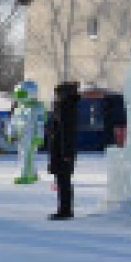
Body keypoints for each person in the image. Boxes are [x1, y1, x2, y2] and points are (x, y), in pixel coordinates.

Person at [46, 82, 80, 220]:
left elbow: (65, 131)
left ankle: (65, 210)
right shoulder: (67, 106)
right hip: (62, 148)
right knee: (62, 180)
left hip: (62, 149)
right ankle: (64, 208)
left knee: (63, 180)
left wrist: (66, 152)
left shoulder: (65, 107)